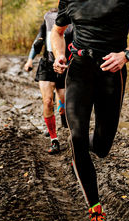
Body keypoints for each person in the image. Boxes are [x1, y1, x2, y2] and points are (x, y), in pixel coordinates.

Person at [51, 0, 129, 221]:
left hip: (111, 73)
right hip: (78, 71)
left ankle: (83, 152)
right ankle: (96, 213)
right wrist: (59, 55)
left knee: (102, 146)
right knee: (76, 137)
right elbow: (57, 32)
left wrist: (126, 55)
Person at [24, 8, 72, 154]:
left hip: (65, 65)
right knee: (47, 101)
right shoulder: (48, 19)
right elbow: (38, 41)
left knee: (63, 101)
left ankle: (63, 115)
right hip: (46, 64)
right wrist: (29, 61)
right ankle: (54, 139)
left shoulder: (73, 20)